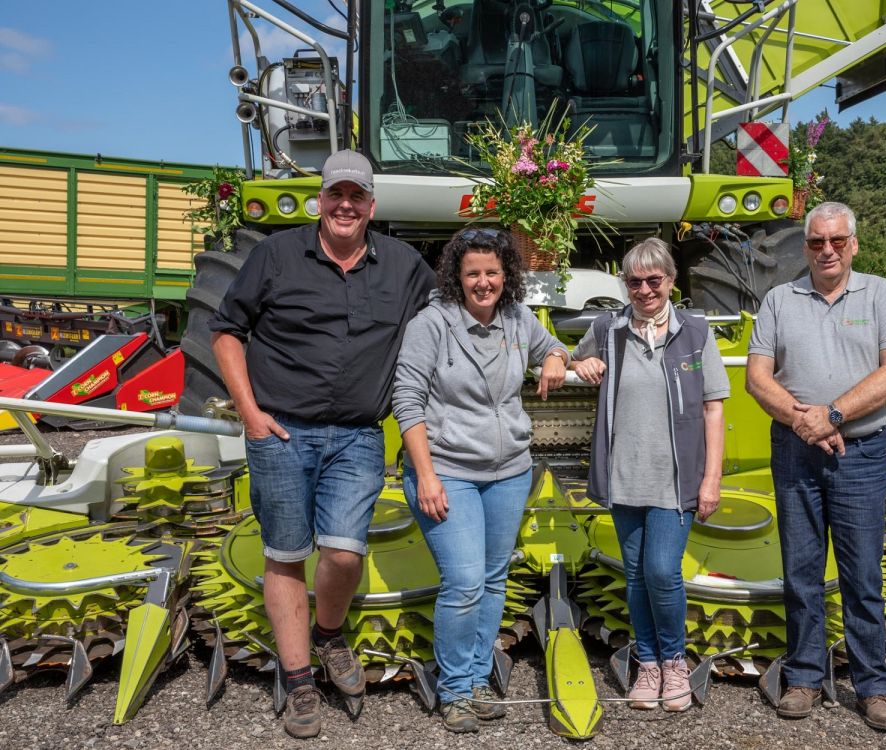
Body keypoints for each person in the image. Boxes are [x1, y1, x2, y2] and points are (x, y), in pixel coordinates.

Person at [209, 150, 436, 739]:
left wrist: (538, 345)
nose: (345, 206)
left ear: (371, 206)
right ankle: (298, 679)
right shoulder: (276, 254)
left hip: (358, 435)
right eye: (336, 194)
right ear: (320, 200)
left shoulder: (404, 265)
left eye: (356, 196)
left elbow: (453, 317)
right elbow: (227, 332)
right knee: (285, 552)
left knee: (343, 553)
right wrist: (250, 415)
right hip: (281, 432)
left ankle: (329, 633)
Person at [392, 227, 568, 733]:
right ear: (457, 276)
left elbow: (553, 345)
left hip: (509, 471)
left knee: (492, 580)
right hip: (447, 471)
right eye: (473, 273)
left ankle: (474, 678)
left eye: (492, 272)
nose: (484, 282)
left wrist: (555, 358)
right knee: (465, 581)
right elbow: (407, 400)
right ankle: (453, 689)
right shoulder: (431, 325)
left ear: (506, 275)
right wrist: (426, 476)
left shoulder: (517, 318)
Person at [745, 201, 886, 732]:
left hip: (860, 453)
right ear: (806, 246)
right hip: (796, 450)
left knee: (862, 572)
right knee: (801, 570)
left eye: (837, 240)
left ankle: (873, 686)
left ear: (853, 244)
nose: (827, 250)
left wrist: (833, 414)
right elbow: (757, 378)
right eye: (817, 241)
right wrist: (806, 422)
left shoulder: (880, 295)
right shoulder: (779, 299)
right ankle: (804, 677)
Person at [569, 237, 728, 713]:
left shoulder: (695, 332)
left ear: (671, 281)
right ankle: (649, 664)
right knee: (637, 576)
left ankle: (674, 661)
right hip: (624, 476)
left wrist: (711, 479)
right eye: (634, 282)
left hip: (675, 479)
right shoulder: (608, 328)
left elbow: (713, 408)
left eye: (653, 280)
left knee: (661, 570)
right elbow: (565, 357)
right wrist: (580, 360)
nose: (644, 290)